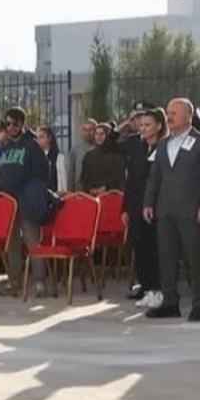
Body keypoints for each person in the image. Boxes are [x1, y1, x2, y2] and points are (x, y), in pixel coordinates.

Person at [143, 98, 200, 320]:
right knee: (166, 257)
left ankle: (198, 303)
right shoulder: (164, 143)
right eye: (168, 112)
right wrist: (148, 202)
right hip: (164, 210)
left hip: (190, 210)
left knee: (194, 258)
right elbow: (154, 177)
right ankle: (170, 303)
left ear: (188, 115)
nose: (169, 117)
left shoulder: (198, 141)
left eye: (174, 113)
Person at [0, 107, 51, 298]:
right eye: (6, 124)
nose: (9, 127)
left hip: (27, 201)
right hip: (9, 204)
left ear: (21, 124)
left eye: (12, 123)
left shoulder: (32, 146)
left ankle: (39, 283)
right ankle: (14, 282)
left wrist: (28, 187)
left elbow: (43, 172)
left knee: (32, 242)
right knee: (12, 244)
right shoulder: (5, 147)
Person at [122, 106, 163, 307]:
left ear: (158, 126)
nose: (143, 128)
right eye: (141, 125)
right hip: (136, 206)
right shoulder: (137, 147)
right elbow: (130, 181)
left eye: (147, 125)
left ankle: (157, 289)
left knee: (154, 249)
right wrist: (125, 208)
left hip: (155, 207)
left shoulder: (164, 148)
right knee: (139, 248)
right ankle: (146, 286)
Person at [80, 122, 125, 194]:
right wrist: (91, 189)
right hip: (91, 196)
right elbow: (84, 178)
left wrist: (106, 188)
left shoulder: (116, 155)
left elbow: (119, 178)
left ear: (108, 135)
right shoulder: (89, 155)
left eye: (102, 134)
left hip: (111, 196)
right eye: (96, 134)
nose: (98, 137)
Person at [35, 126, 69, 193]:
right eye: (37, 137)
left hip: (55, 195)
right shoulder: (35, 157)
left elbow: (63, 181)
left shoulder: (59, 157)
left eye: (41, 137)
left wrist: (62, 192)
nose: (38, 140)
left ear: (49, 138)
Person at [70, 118, 97, 197]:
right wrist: (70, 193)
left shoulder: (101, 147)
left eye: (91, 129)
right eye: (85, 129)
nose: (88, 133)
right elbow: (71, 173)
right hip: (80, 193)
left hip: (97, 192)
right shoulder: (75, 149)